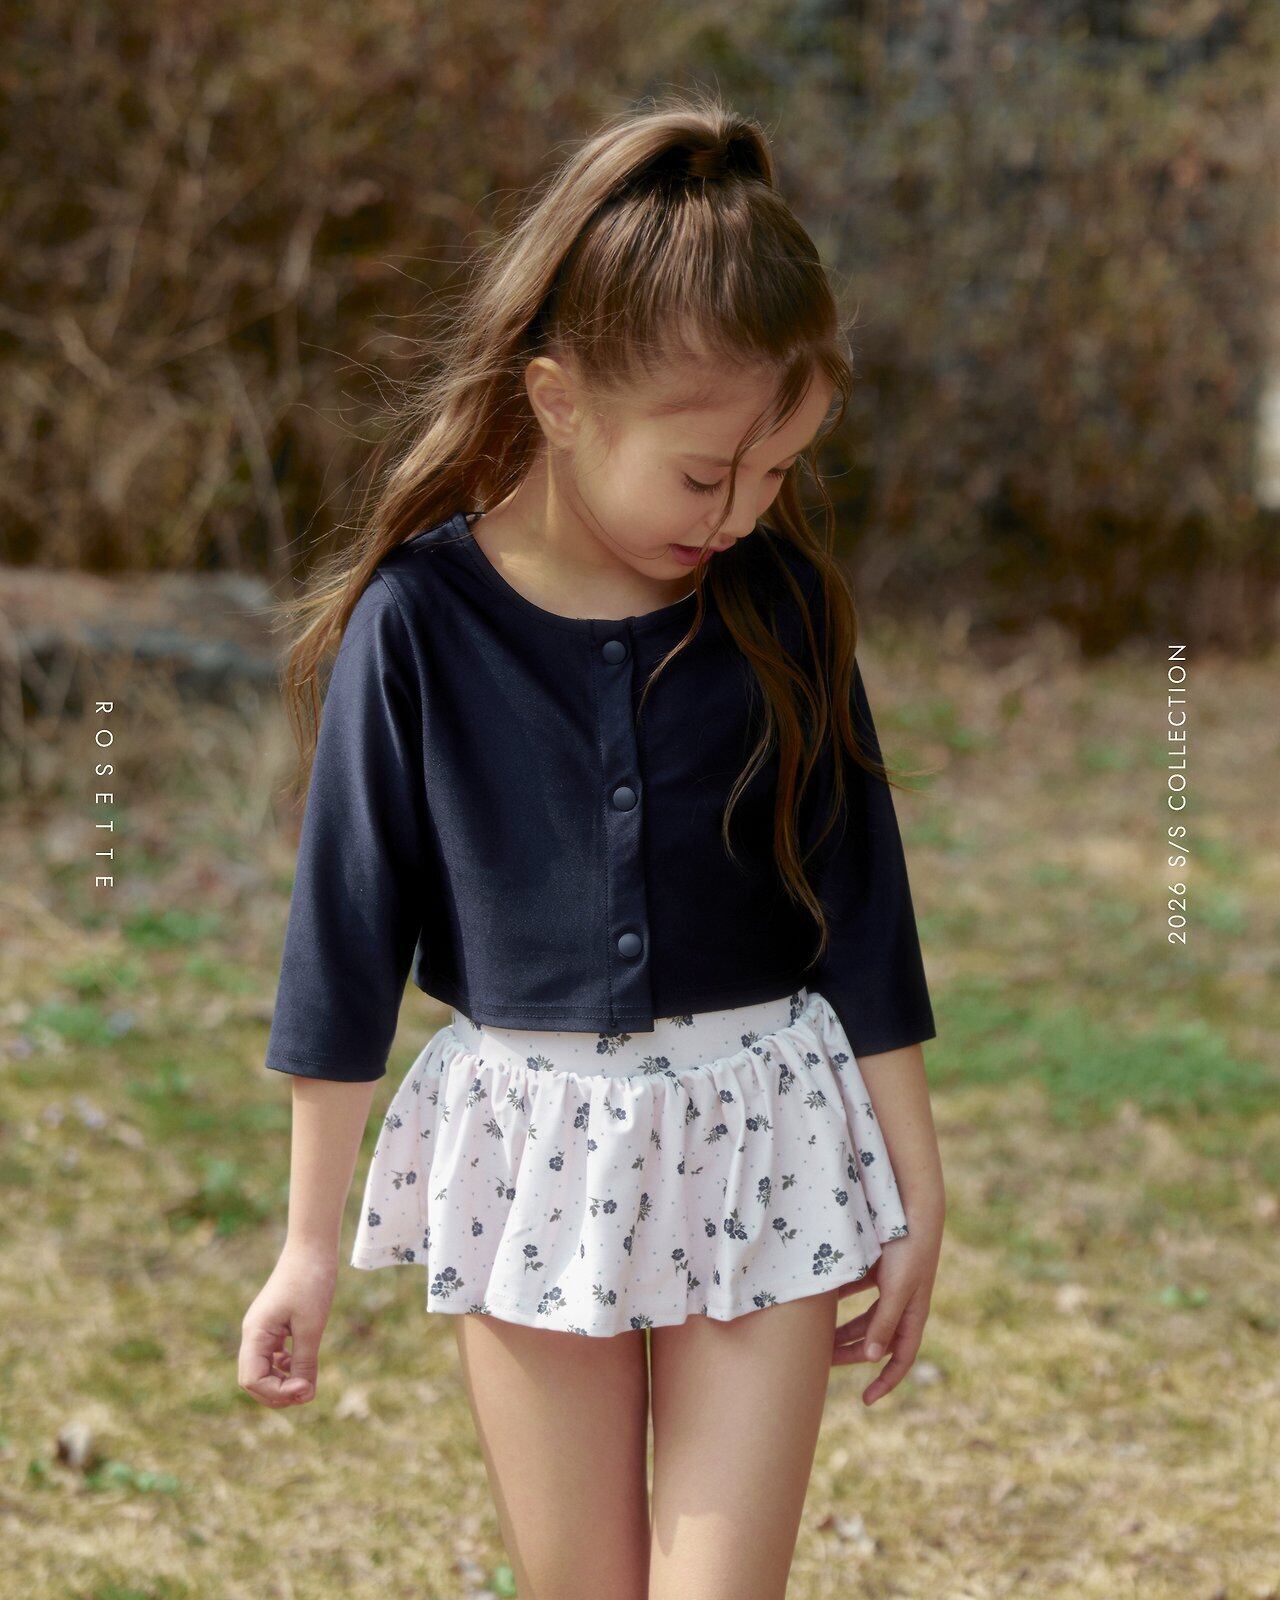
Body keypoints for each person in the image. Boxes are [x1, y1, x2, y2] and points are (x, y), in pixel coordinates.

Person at [238, 92, 946, 1600]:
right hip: (531, 1156)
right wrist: (306, 1246)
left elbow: (866, 905)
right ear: (558, 402)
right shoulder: (418, 624)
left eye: (776, 473)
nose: (744, 515)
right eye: (705, 476)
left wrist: (916, 1183)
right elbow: (342, 946)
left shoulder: (785, 607)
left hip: (761, 1139)